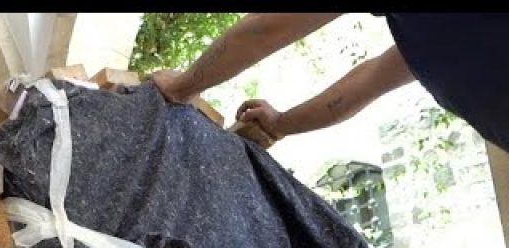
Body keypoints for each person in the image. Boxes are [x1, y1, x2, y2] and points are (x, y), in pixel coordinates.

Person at [150, 13, 509, 152]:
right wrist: (280, 124)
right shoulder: (444, 32)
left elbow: (267, 29)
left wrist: (181, 87)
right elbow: (371, 79)